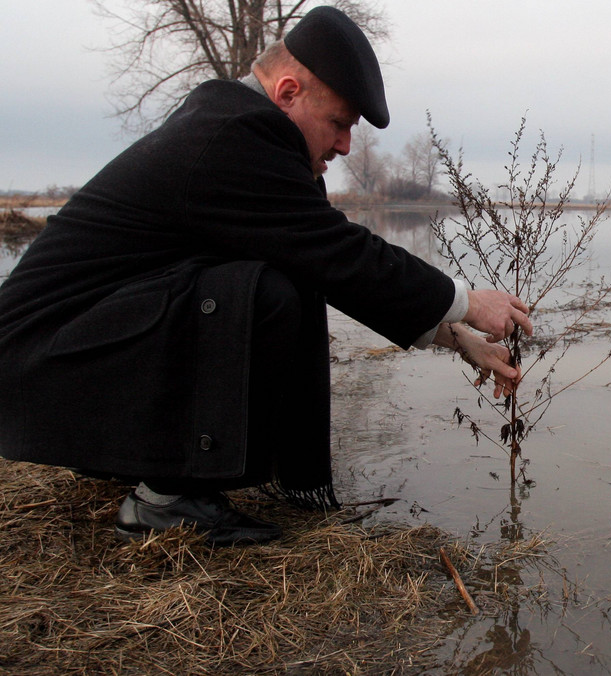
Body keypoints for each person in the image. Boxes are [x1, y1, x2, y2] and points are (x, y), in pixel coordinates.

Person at [0, 7, 531, 546]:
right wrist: (467, 303)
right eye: (340, 123)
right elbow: (343, 254)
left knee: (280, 279)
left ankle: (178, 477)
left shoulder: (238, 130)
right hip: (38, 364)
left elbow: (323, 259)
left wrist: (458, 338)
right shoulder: (233, 138)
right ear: (286, 93)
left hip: (64, 354)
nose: (347, 145)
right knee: (266, 296)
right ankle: (164, 500)